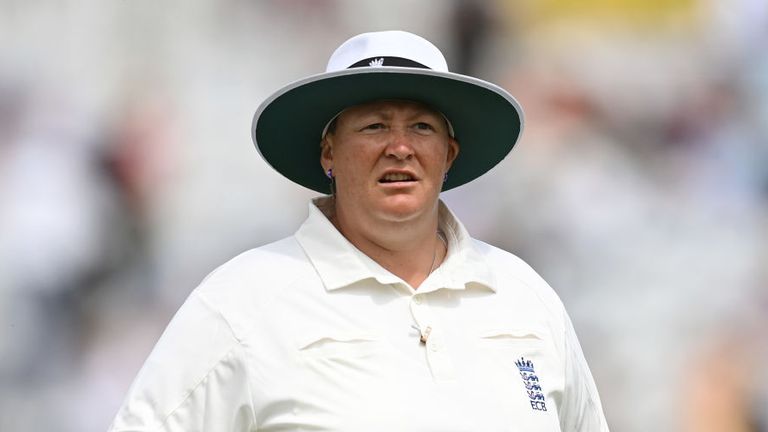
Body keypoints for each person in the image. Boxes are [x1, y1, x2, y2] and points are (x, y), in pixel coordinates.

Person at [108, 30, 609, 432]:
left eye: (422, 128)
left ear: (449, 155)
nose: (399, 147)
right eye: (373, 126)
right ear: (328, 152)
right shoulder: (241, 302)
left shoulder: (524, 296)